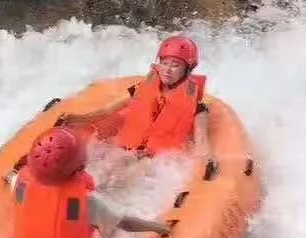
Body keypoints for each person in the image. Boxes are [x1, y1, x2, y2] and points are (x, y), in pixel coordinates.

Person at [8, 126, 170, 238]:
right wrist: (160, 228)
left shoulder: (21, 182)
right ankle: (138, 162)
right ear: (78, 168)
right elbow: (126, 222)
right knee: (111, 227)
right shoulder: (85, 203)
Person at [59, 35, 210, 159]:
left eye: (175, 65)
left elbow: (201, 144)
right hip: (126, 151)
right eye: (164, 63)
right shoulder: (142, 88)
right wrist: (78, 119)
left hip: (156, 164)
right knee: (104, 161)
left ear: (187, 69)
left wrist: (206, 166)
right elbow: (107, 110)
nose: (167, 70)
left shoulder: (198, 107)